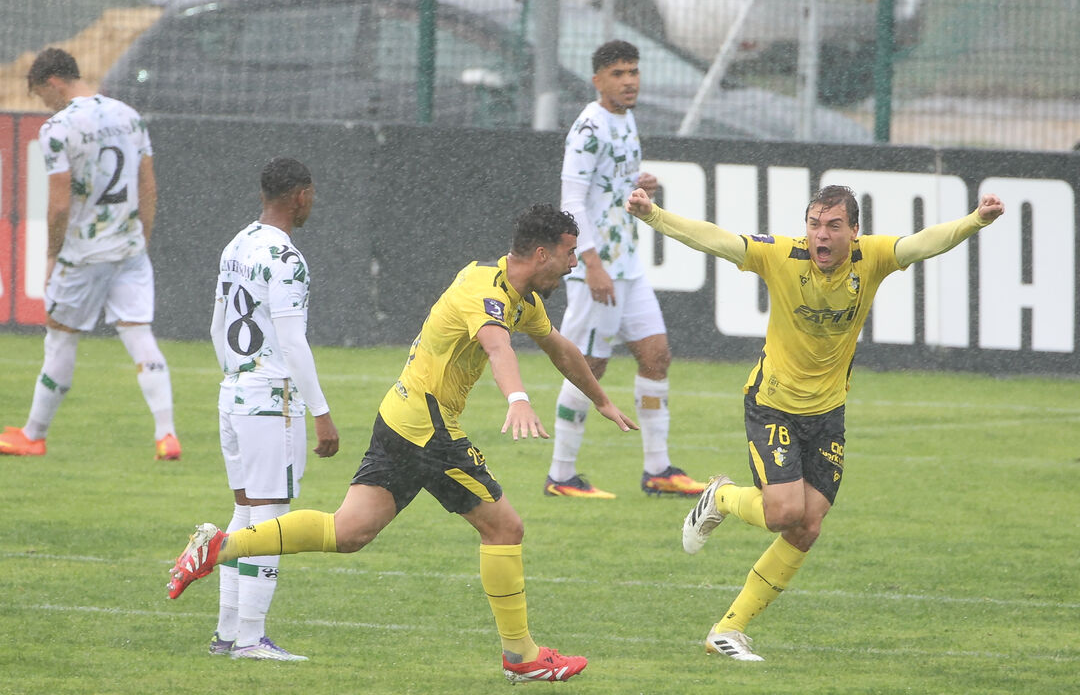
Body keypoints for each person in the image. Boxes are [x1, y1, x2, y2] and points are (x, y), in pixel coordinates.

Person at [167, 203, 637, 682]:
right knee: (505, 529)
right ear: (541, 253)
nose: (575, 263)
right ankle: (522, 658)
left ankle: (220, 546)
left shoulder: (515, 295)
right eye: (569, 253)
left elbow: (559, 347)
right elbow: (497, 346)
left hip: (399, 417)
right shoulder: (486, 292)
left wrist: (600, 400)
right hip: (430, 431)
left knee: (347, 532)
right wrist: (517, 398)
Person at [626, 184, 1006, 661]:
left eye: (832, 226)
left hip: (827, 415)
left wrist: (975, 220)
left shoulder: (874, 258)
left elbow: (924, 242)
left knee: (807, 526)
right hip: (773, 404)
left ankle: (729, 629)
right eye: (813, 224)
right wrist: (654, 215)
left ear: (854, 231)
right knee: (782, 513)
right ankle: (719, 495)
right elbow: (716, 240)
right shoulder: (783, 256)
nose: (820, 236)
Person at [0, 48, 180, 461]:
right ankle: (166, 434)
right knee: (139, 334)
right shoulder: (128, 116)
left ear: (52, 82)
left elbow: (60, 203)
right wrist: (142, 239)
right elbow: (148, 186)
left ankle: (34, 434)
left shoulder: (58, 128)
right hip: (129, 246)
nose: (43, 104)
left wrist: (52, 254)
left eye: (40, 95)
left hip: (83, 253)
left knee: (60, 337)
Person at [544, 39, 705, 499]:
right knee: (587, 366)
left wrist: (638, 181)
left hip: (627, 266)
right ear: (597, 80)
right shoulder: (588, 128)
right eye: (618, 73)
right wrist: (591, 263)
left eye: (633, 71)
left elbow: (607, 183)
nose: (629, 80)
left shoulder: (627, 119)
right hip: (598, 268)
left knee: (656, 356)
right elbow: (572, 200)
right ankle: (561, 475)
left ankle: (658, 470)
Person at [205, 157, 340, 660]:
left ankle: (227, 633)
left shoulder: (237, 244)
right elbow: (293, 342)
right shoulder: (286, 259)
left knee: (245, 511)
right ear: (300, 195)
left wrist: (235, 374)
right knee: (271, 516)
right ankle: (249, 639)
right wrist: (320, 410)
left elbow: (218, 326)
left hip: (234, 391)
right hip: (270, 399)